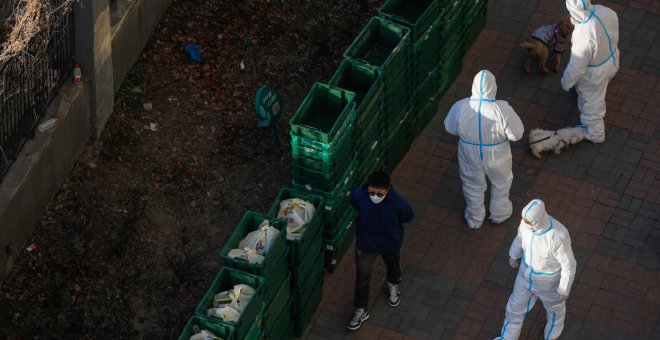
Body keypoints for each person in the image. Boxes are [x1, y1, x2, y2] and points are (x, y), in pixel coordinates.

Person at [444, 70, 524, 230]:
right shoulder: (502, 109)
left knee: (472, 183)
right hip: (497, 153)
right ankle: (499, 214)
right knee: (502, 182)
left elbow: (449, 128)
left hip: (469, 152)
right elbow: (517, 134)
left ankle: (475, 218)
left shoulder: (461, 106)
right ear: (493, 87)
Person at [496, 199, 577, 340]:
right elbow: (520, 238)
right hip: (524, 276)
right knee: (514, 308)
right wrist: (513, 254)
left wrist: (563, 289)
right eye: (524, 220)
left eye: (528, 221)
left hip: (547, 282)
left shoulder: (558, 235)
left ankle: (555, 325)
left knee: (554, 307)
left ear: (538, 219)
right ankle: (507, 337)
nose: (525, 223)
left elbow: (568, 265)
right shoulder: (525, 224)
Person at [346, 171, 414, 331]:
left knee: (393, 266)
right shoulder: (360, 195)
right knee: (362, 278)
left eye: (379, 193)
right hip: (365, 245)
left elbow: (408, 216)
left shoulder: (399, 204)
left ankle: (393, 283)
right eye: (372, 192)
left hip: (390, 244)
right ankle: (360, 309)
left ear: (388, 189)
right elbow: (355, 202)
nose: (374, 196)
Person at [561, 0, 619, 143]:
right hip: (612, 58)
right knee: (605, 80)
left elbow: (577, 67)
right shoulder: (605, 11)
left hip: (594, 74)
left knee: (591, 104)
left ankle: (595, 134)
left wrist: (566, 83)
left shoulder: (584, 34)